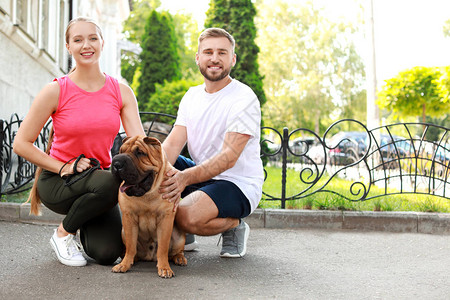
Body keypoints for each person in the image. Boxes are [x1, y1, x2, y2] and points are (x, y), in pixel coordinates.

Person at [13, 17, 145, 267]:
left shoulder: (121, 92)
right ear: (68, 47)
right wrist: (63, 167)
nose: (87, 45)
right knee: (112, 180)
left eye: (93, 38)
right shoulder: (56, 90)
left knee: (107, 253)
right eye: (78, 39)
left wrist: (166, 173)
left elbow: (138, 143)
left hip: (98, 184)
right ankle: (63, 234)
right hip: (58, 181)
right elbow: (21, 144)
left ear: (102, 43)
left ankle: (85, 216)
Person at [160, 28, 264, 258]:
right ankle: (183, 230)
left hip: (237, 183)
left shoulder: (243, 98)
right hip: (204, 175)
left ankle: (234, 225)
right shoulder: (192, 96)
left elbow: (228, 158)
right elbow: (172, 146)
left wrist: (184, 178)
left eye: (222, 53)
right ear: (198, 57)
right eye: (208, 52)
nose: (214, 58)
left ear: (232, 59)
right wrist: (148, 170)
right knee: (155, 166)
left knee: (186, 215)